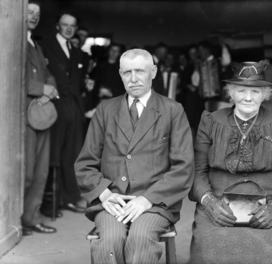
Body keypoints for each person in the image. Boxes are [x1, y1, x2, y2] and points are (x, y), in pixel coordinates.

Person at [75, 49, 195, 263]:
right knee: (110, 239)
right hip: (114, 200)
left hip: (155, 202)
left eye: (140, 71)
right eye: (127, 72)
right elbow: (85, 164)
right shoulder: (105, 110)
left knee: (140, 238)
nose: (133, 79)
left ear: (154, 72)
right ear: (120, 74)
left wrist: (147, 199)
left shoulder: (172, 110)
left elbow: (183, 167)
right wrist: (104, 194)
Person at [189, 60, 272, 264]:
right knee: (207, 247)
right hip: (218, 204)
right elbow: (197, 171)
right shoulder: (211, 121)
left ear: (265, 95)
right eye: (241, 91)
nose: (248, 98)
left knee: (266, 253)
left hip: (267, 206)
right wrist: (209, 202)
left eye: (256, 92)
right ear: (231, 93)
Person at [41, 12, 86, 214]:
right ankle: (51, 202)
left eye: (72, 26)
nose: (68, 29)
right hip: (56, 104)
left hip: (74, 106)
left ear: (76, 29)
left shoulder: (76, 51)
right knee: (54, 154)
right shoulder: (46, 46)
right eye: (65, 25)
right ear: (57, 26)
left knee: (72, 153)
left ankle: (69, 198)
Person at [22, 1, 58, 235]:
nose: (34, 16)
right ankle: (14, 220)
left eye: (38, 13)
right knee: (25, 171)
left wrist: (50, 89)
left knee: (40, 170)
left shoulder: (35, 43)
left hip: (40, 114)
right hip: (22, 117)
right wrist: (41, 89)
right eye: (30, 12)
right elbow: (11, 76)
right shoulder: (10, 42)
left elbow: (48, 74)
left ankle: (31, 217)